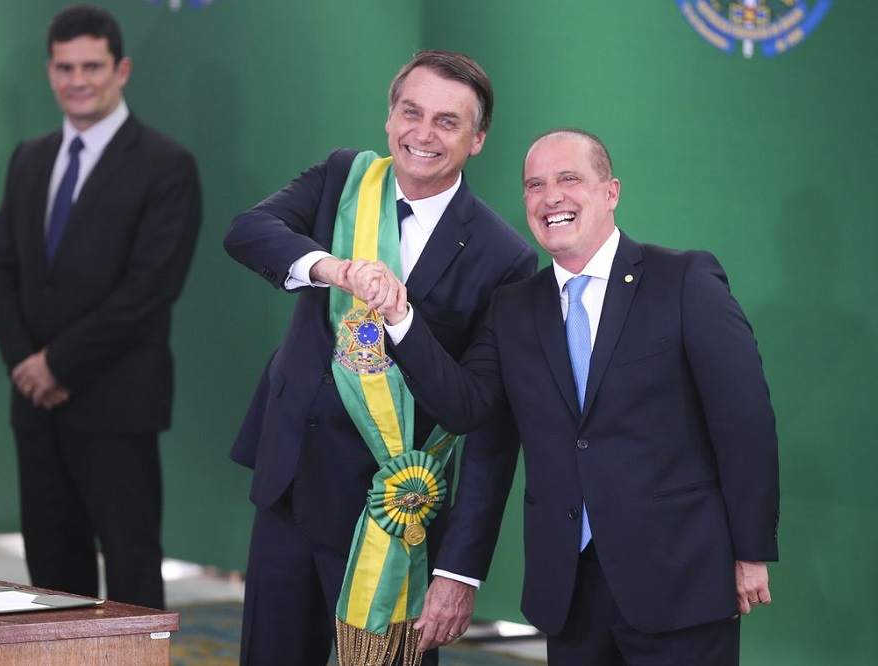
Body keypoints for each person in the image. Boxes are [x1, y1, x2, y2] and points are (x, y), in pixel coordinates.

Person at [354, 128, 780, 665]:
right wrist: (400, 318)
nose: (550, 196)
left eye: (569, 179)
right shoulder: (512, 309)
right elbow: (466, 407)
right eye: (534, 185)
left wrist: (749, 551)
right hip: (569, 592)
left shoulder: (683, 279)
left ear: (611, 192)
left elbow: (744, 424)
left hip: (682, 580)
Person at [224, 50, 537, 665]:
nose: (423, 134)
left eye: (448, 122)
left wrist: (460, 570)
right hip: (288, 485)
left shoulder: (505, 257)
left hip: (393, 518)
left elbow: (486, 421)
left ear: (478, 139)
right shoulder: (346, 178)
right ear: (389, 117)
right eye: (410, 112)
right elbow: (247, 232)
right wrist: (332, 268)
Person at [0, 4, 202, 610]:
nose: (77, 80)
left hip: (116, 406)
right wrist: (26, 364)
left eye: (92, 66)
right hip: (35, 409)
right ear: (50, 71)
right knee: (49, 580)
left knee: (131, 575)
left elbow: (149, 290)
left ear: (121, 69)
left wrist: (58, 365)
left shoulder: (166, 165)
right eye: (64, 67)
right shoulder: (29, 158)